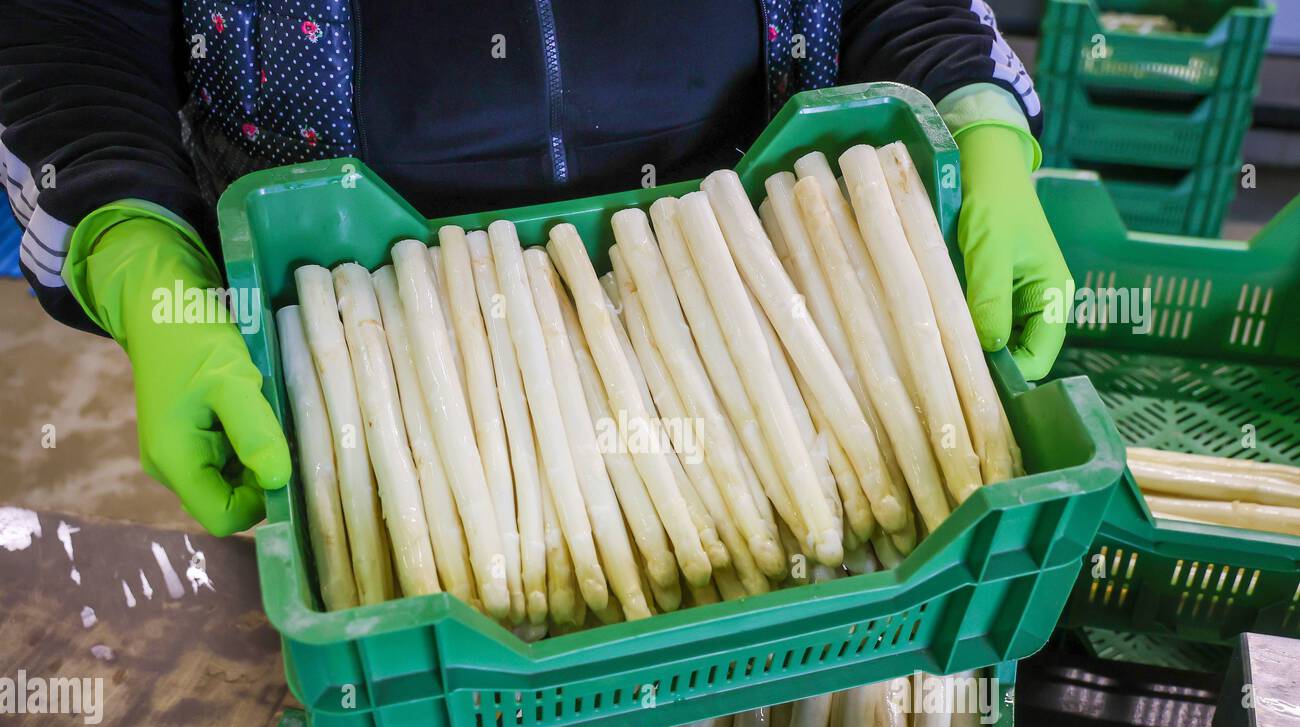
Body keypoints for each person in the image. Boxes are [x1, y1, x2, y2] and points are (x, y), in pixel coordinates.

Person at [0, 1, 1070, 536]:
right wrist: (137, 251)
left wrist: (971, 108)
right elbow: (72, 36)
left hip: (762, 333)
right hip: (366, 392)